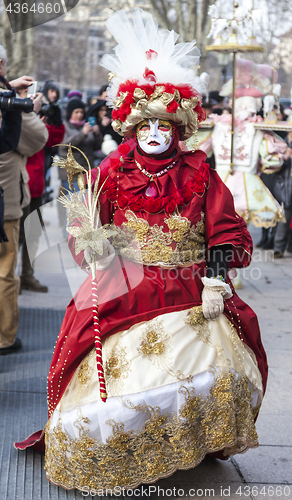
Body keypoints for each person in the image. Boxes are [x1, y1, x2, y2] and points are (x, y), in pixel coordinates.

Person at [16, 10, 267, 494]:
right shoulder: (110, 171)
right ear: (134, 128)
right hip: (123, 284)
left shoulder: (201, 172)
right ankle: (124, 447)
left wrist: (216, 278)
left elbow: (226, 231)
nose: (155, 135)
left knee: (212, 370)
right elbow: (86, 222)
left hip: (190, 285)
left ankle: (181, 443)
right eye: (146, 126)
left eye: (164, 126)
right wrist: (92, 245)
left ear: (179, 128)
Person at [0, 49, 49, 355]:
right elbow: (38, 138)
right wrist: (26, 107)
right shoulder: (9, 103)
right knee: (4, 271)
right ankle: (5, 337)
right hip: (5, 203)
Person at [18, 89, 65, 292]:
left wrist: (56, 121)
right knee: (19, 234)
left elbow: (54, 140)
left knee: (33, 234)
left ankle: (27, 275)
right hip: (21, 187)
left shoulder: (36, 123)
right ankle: (11, 279)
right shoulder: (18, 119)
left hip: (36, 187)